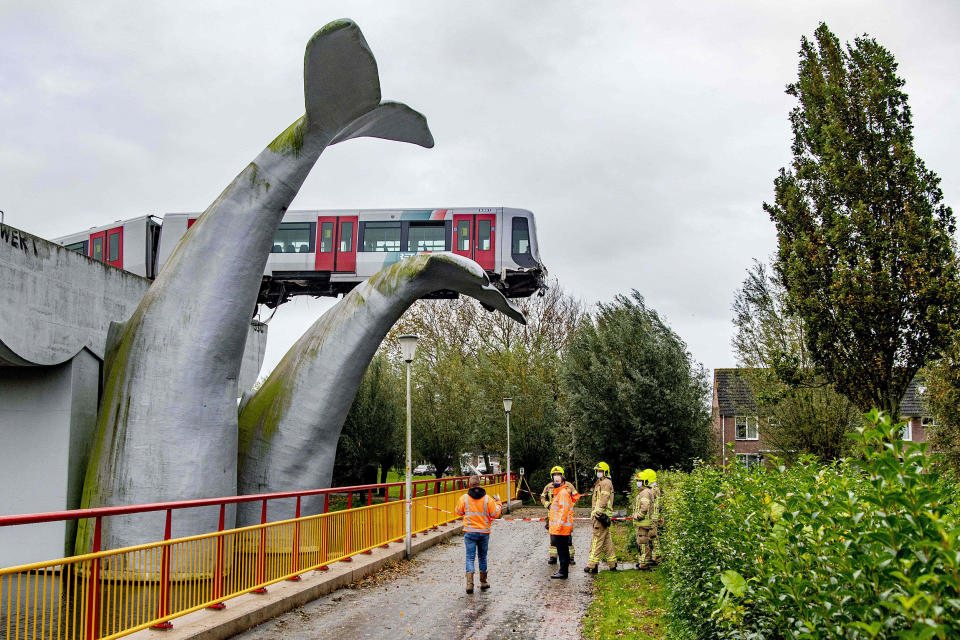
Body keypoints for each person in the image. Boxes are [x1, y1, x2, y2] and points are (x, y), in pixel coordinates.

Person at [455, 474, 503, 594]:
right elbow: (495, 514)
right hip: (484, 533)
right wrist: (499, 503)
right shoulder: (488, 499)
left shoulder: (464, 498)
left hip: (470, 533)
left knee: (470, 558)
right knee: (482, 557)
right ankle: (483, 582)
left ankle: (469, 584)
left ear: (469, 485)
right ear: (480, 484)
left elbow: (458, 512)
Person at [547, 467, 580, 579]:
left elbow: (563, 511)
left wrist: (558, 526)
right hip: (561, 527)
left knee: (562, 550)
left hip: (561, 528)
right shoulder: (560, 492)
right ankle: (563, 571)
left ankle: (563, 571)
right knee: (563, 549)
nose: (555, 481)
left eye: (558, 479)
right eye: (554, 479)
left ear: (562, 480)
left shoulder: (563, 493)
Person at [584, 461, 617, 573]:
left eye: (600, 471)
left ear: (605, 472)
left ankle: (591, 565)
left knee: (596, 540)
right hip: (603, 515)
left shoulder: (605, 483)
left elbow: (603, 500)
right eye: (597, 471)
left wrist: (597, 513)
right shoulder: (602, 482)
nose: (598, 473)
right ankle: (613, 564)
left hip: (601, 516)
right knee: (607, 541)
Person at [633, 469, 660, 570]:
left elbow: (644, 507)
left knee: (643, 543)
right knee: (646, 542)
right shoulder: (649, 491)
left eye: (639, 481)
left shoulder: (645, 492)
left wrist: (638, 516)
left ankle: (644, 563)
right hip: (647, 522)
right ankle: (645, 561)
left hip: (644, 523)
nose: (637, 483)